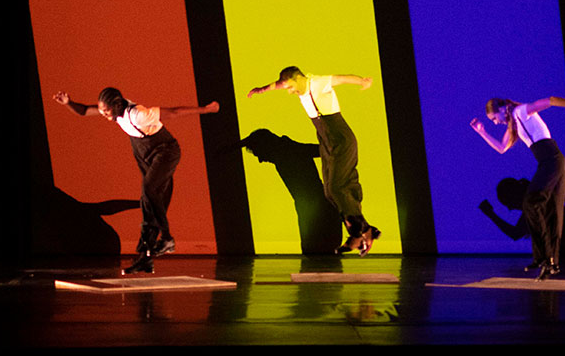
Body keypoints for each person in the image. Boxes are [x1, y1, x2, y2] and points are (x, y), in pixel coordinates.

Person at [53, 87, 219, 274]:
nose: (105, 115)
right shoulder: (113, 111)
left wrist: (206, 109)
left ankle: (166, 239)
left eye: (106, 112)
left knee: (148, 190)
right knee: (149, 206)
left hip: (165, 152)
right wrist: (68, 103)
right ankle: (145, 259)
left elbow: (174, 112)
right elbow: (83, 111)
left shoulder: (138, 114)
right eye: (102, 111)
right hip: (145, 152)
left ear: (116, 106)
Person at [247, 66, 380, 256]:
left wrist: (362, 81)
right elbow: (278, 84)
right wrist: (262, 89)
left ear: (298, 78)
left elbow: (341, 78)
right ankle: (358, 232)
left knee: (338, 187)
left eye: (290, 87)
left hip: (340, 139)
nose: (290, 92)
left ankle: (364, 231)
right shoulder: (298, 85)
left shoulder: (318, 82)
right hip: (327, 142)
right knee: (330, 192)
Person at [470, 96, 565, 280]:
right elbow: (502, 148)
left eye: (494, 118)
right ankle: (547, 261)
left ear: (502, 108)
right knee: (550, 210)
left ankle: (547, 258)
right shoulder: (514, 124)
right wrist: (482, 132)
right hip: (548, 162)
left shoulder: (522, 111)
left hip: (552, 161)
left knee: (531, 202)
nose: (496, 122)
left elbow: (551, 100)